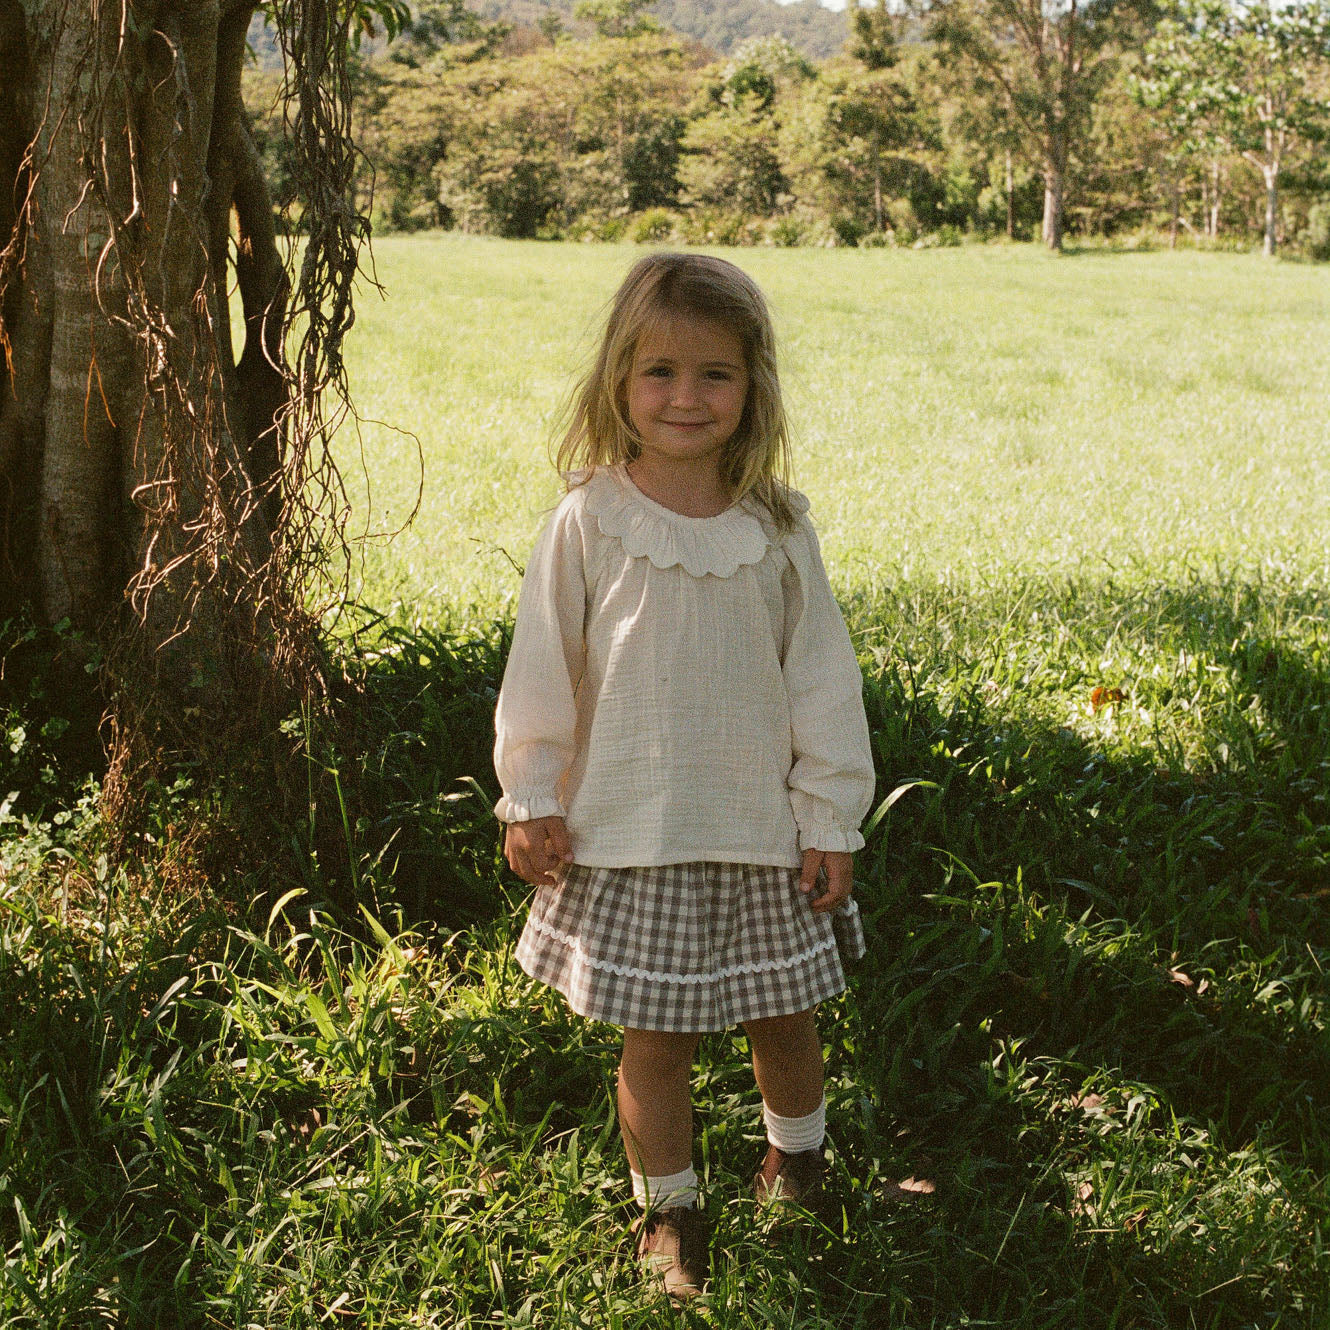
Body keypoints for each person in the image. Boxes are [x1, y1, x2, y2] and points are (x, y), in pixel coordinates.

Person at [493, 252, 875, 1299]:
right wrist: (531, 795)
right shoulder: (588, 521)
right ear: (618, 379)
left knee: (783, 1024)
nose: (685, 397)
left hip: (762, 836)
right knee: (653, 1042)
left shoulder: (776, 529)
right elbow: (542, 671)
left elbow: (822, 682)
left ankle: (795, 1159)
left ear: (751, 387)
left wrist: (828, 815)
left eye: (714, 374)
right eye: (658, 371)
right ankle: (670, 1208)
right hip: (630, 832)